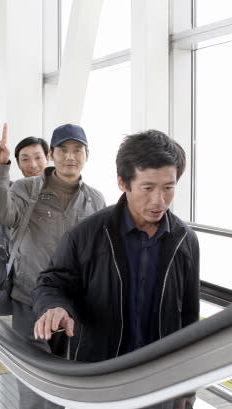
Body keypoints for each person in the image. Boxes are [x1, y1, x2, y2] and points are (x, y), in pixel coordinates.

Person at [33, 130, 199, 409]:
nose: (159, 200)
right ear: (123, 182)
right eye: (147, 188)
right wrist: (54, 306)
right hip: (98, 378)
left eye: (168, 187)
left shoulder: (185, 240)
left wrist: (189, 385)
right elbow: (52, 282)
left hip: (158, 382)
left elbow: (190, 317)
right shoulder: (88, 234)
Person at [0, 118, 105, 409]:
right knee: (33, 376)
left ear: (87, 156)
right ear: (52, 155)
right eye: (63, 150)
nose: (70, 156)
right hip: (29, 298)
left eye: (78, 150)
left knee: (68, 376)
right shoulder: (27, 189)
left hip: (76, 305)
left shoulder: (95, 200)